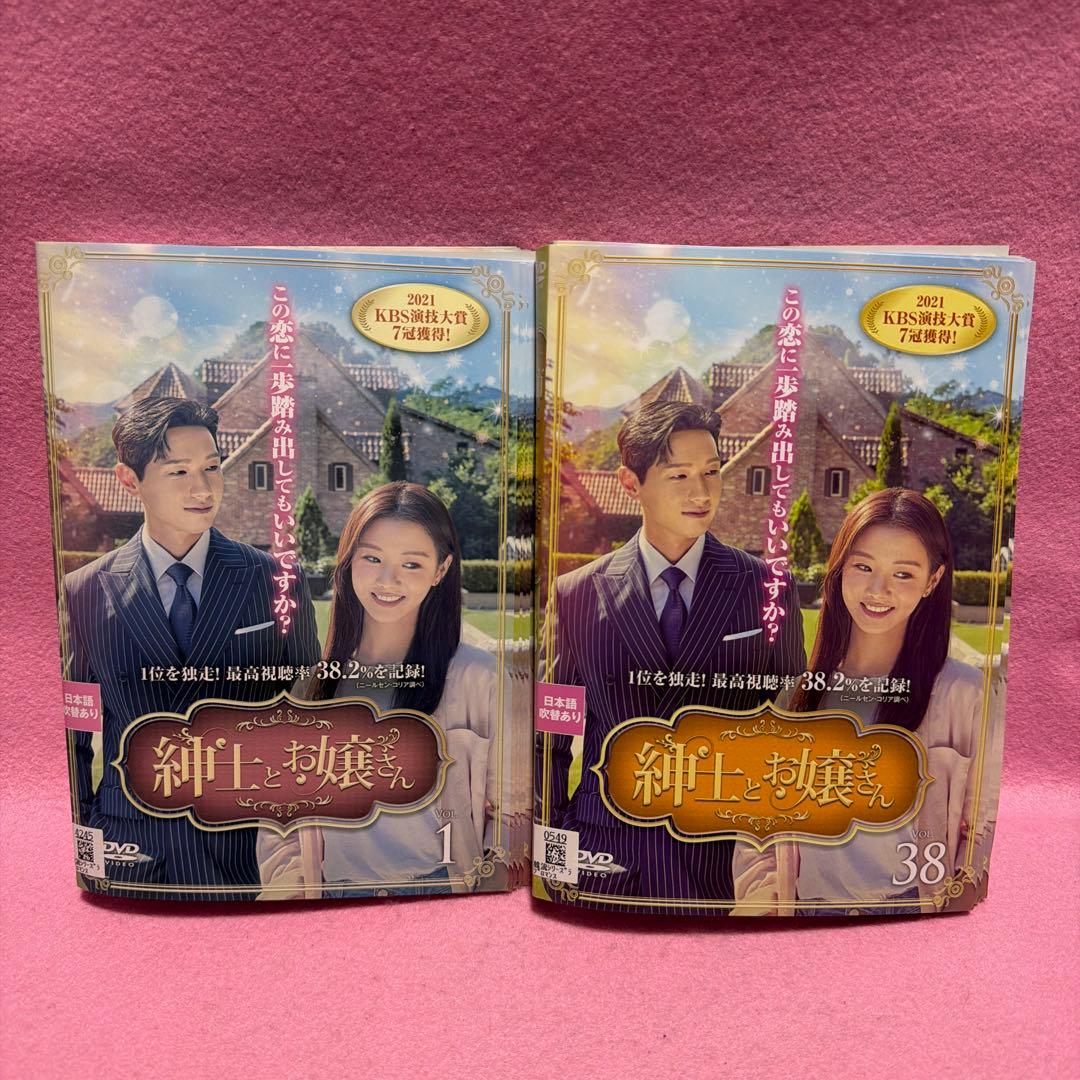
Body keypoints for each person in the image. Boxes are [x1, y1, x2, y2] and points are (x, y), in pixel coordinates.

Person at [541, 401, 806, 911]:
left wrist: (773, 869)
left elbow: (793, 732)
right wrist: (556, 863)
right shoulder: (577, 594)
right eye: (679, 475)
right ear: (630, 482)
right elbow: (549, 740)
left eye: (712, 472)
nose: (701, 492)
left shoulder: (768, 589)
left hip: (725, 867)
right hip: (606, 857)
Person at [64, 396, 320, 897]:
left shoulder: (277, 580)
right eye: (178, 472)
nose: (203, 489)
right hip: (132, 847)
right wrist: (94, 829)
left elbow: (312, 716)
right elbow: (75, 736)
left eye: (212, 468)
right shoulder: (86, 590)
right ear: (129, 480)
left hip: (251, 852)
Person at [733, 487, 984, 915]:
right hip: (807, 917)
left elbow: (986, 826)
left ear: (933, 580)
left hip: (912, 917)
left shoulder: (963, 693)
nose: (878, 589)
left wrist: (951, 916)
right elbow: (757, 831)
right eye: (863, 566)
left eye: (903, 574)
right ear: (840, 568)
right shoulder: (797, 696)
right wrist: (766, 900)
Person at [257, 482, 504, 898]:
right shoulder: (312, 687)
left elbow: (512, 810)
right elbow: (278, 823)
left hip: (439, 893)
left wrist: (485, 894)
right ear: (349, 559)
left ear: (441, 570)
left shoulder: (477, 677)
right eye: (372, 558)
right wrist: (295, 891)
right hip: (334, 899)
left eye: (412, 564)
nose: (388, 580)